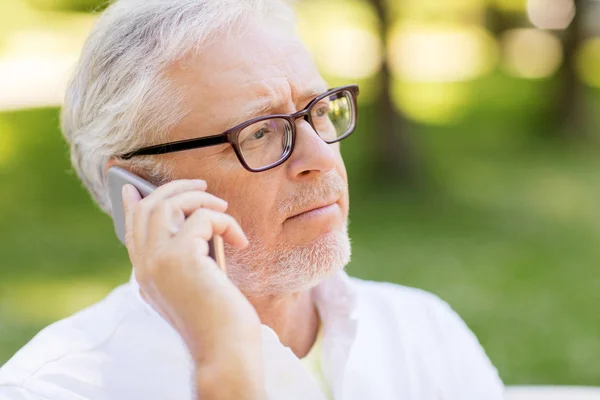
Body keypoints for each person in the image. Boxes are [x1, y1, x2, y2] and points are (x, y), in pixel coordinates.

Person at [0, 0, 504, 399]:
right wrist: (224, 358)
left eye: (319, 111)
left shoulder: (421, 330)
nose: (321, 158)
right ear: (137, 190)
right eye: (260, 131)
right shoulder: (52, 389)